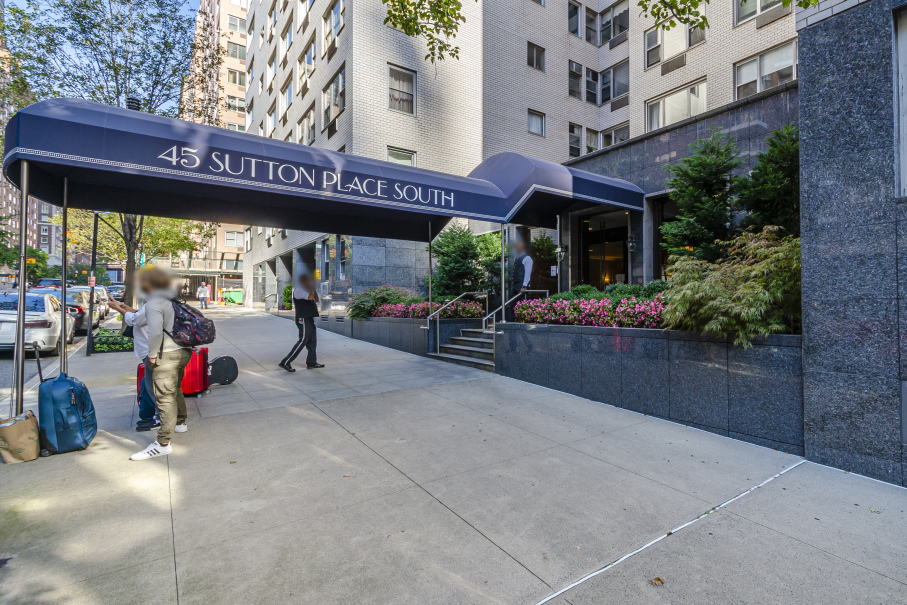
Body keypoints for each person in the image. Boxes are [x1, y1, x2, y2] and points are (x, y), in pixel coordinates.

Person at [128, 267, 192, 461]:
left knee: (164, 397)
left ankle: (163, 443)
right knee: (175, 390)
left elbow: (155, 332)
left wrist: (153, 355)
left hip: (167, 354)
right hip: (183, 351)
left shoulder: (154, 303)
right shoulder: (173, 300)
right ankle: (180, 423)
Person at [108, 268, 159, 432]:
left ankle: (159, 418)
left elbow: (136, 319)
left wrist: (118, 308)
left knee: (153, 387)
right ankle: (161, 417)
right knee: (153, 385)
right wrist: (126, 307)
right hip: (154, 349)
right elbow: (139, 315)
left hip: (152, 351)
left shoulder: (154, 301)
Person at [278, 273, 324, 372]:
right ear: (303, 281)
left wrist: (313, 288)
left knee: (312, 341)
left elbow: (316, 299)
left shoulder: (307, 290)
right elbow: (310, 298)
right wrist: (311, 288)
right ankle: (285, 362)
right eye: (308, 280)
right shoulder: (299, 290)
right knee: (303, 340)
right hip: (303, 318)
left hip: (309, 318)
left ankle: (311, 362)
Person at [505, 238, 533, 322]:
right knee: (512, 304)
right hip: (516, 285)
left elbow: (528, 273)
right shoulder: (518, 258)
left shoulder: (527, 258)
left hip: (521, 285)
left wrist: (524, 286)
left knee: (521, 304)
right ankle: (514, 321)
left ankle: (522, 321)